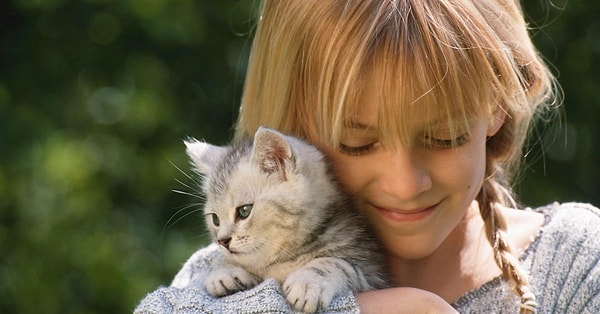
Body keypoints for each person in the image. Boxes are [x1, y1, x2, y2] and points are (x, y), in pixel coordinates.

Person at [135, 0, 600, 313]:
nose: (403, 183)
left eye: (444, 136)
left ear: (500, 104)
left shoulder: (576, 264)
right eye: (357, 142)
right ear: (292, 130)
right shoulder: (231, 273)